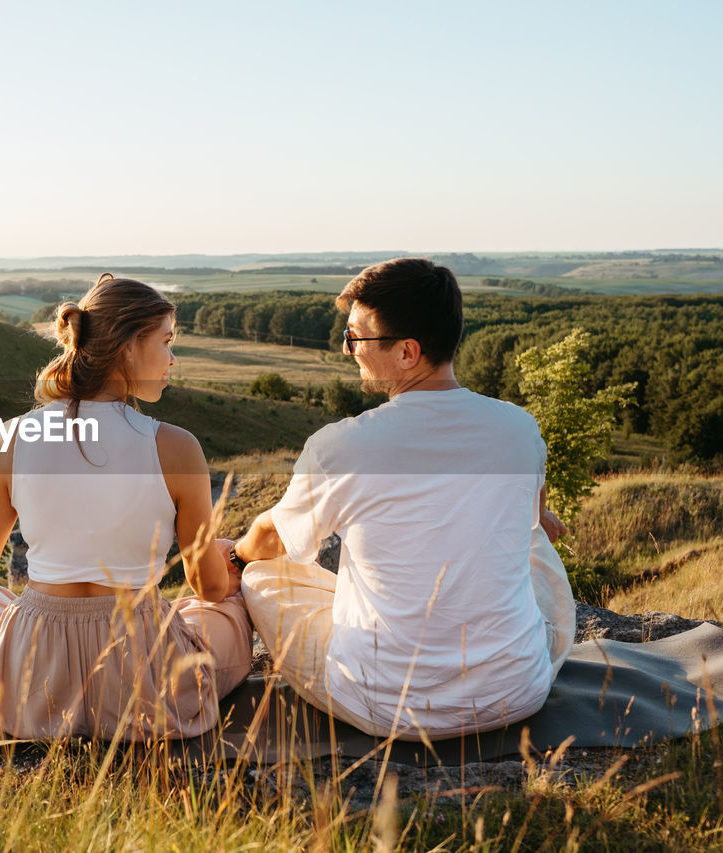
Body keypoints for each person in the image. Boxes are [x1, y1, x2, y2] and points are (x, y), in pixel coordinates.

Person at [223, 258, 574, 740]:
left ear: (408, 351)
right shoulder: (520, 428)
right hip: (518, 693)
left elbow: (269, 540)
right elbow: (537, 517)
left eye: (355, 337)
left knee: (263, 577)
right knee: (537, 549)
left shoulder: (342, 445)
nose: (348, 350)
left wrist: (235, 555)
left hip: (386, 706)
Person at [0, 273, 253, 741]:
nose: (172, 358)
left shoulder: (11, 438)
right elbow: (207, 586)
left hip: (32, 686)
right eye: (165, 342)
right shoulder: (176, 447)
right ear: (127, 347)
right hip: (146, 685)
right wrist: (235, 563)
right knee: (232, 610)